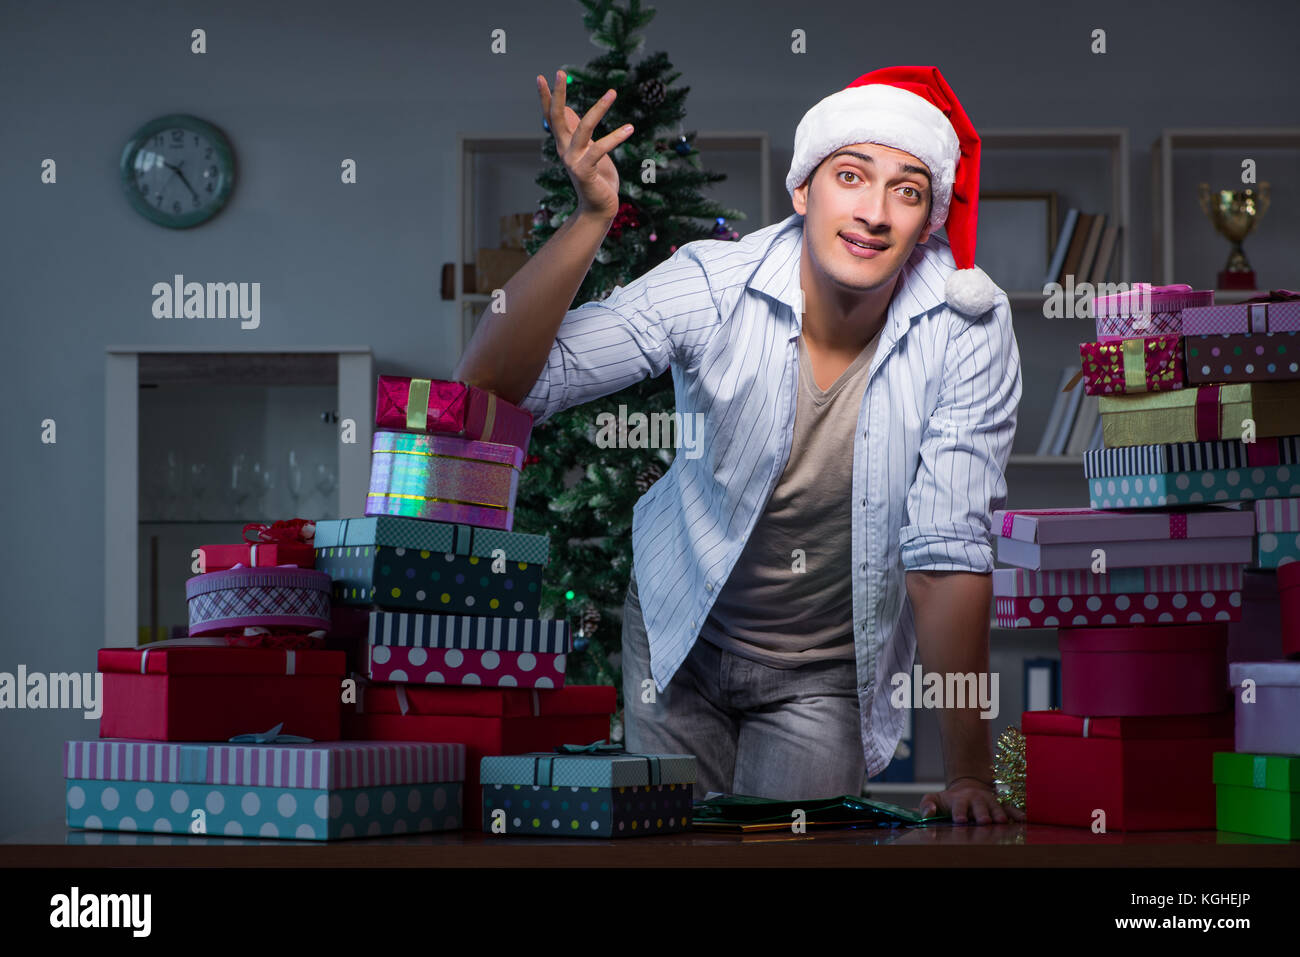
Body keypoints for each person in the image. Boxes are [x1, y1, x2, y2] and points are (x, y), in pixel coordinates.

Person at [454, 65, 1025, 825]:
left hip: (821, 674)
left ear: (928, 220)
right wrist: (591, 218)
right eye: (851, 176)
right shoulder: (712, 286)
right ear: (803, 190)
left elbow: (947, 554)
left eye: (908, 190)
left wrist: (970, 774)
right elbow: (495, 384)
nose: (874, 212)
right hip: (678, 633)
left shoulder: (967, 330)